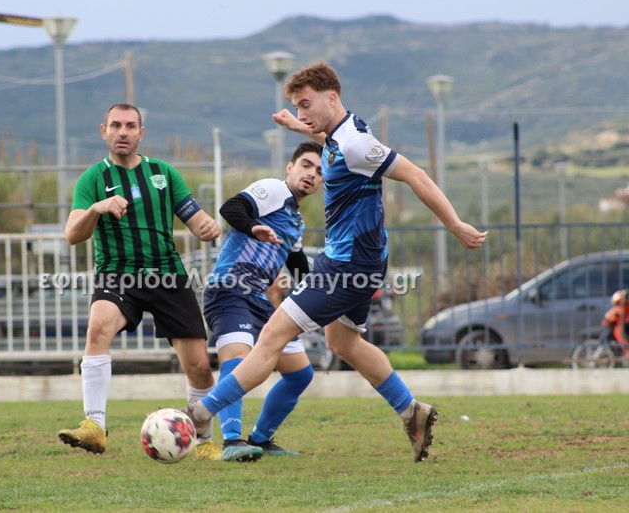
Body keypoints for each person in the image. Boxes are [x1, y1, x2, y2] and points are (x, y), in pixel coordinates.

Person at [188, 62, 488, 462]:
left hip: (347, 265)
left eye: (305, 104)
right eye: (297, 106)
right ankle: (410, 411)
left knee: (272, 336)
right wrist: (298, 127)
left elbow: (416, 175)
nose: (302, 112)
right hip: (364, 261)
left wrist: (455, 224)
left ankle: (200, 413)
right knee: (343, 342)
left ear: (331, 98)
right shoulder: (341, 132)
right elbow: (327, 137)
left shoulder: (356, 144)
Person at [57, 103, 224, 460]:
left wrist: (209, 226)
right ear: (103, 131)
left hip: (167, 273)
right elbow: (72, 234)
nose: (123, 132)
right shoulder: (92, 179)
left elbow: (197, 221)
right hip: (117, 273)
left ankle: (204, 441)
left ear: (141, 133)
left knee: (199, 365)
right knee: (98, 327)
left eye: (130, 126)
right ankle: (94, 426)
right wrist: (96, 208)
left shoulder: (163, 174)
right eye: (116, 125)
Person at [203, 140, 323, 462]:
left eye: (319, 171)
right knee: (238, 358)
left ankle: (261, 439)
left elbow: (297, 264)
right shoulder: (273, 189)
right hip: (229, 290)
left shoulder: (295, 221)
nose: (311, 174)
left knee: (300, 374)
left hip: (259, 300)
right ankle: (232, 440)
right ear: (290, 167)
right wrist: (254, 227)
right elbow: (231, 209)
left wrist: (323, 292)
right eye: (306, 165)